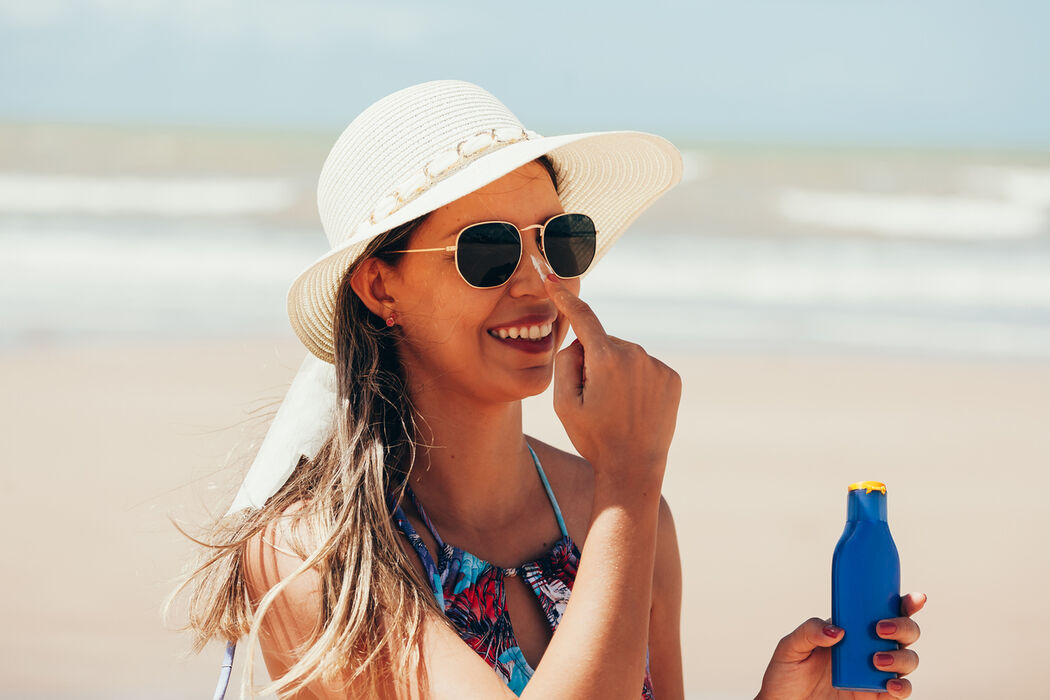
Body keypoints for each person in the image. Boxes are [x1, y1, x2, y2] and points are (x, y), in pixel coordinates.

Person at [171, 80, 924, 699]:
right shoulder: (316, 553)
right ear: (379, 286)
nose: (539, 282)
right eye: (489, 249)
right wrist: (629, 475)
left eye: (559, 240)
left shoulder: (632, 523)